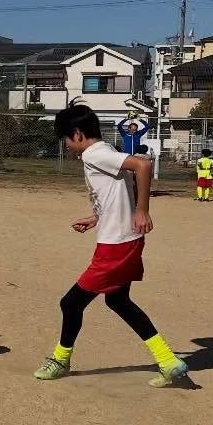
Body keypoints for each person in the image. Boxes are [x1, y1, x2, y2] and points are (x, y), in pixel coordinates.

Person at [35, 104, 188, 388]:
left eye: (66, 139)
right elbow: (121, 188)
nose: (67, 146)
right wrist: (97, 217)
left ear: (77, 134)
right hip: (126, 239)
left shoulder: (95, 154)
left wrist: (142, 210)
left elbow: (143, 165)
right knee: (118, 301)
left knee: (70, 303)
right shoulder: (105, 151)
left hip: (115, 245)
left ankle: (60, 361)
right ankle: (168, 361)